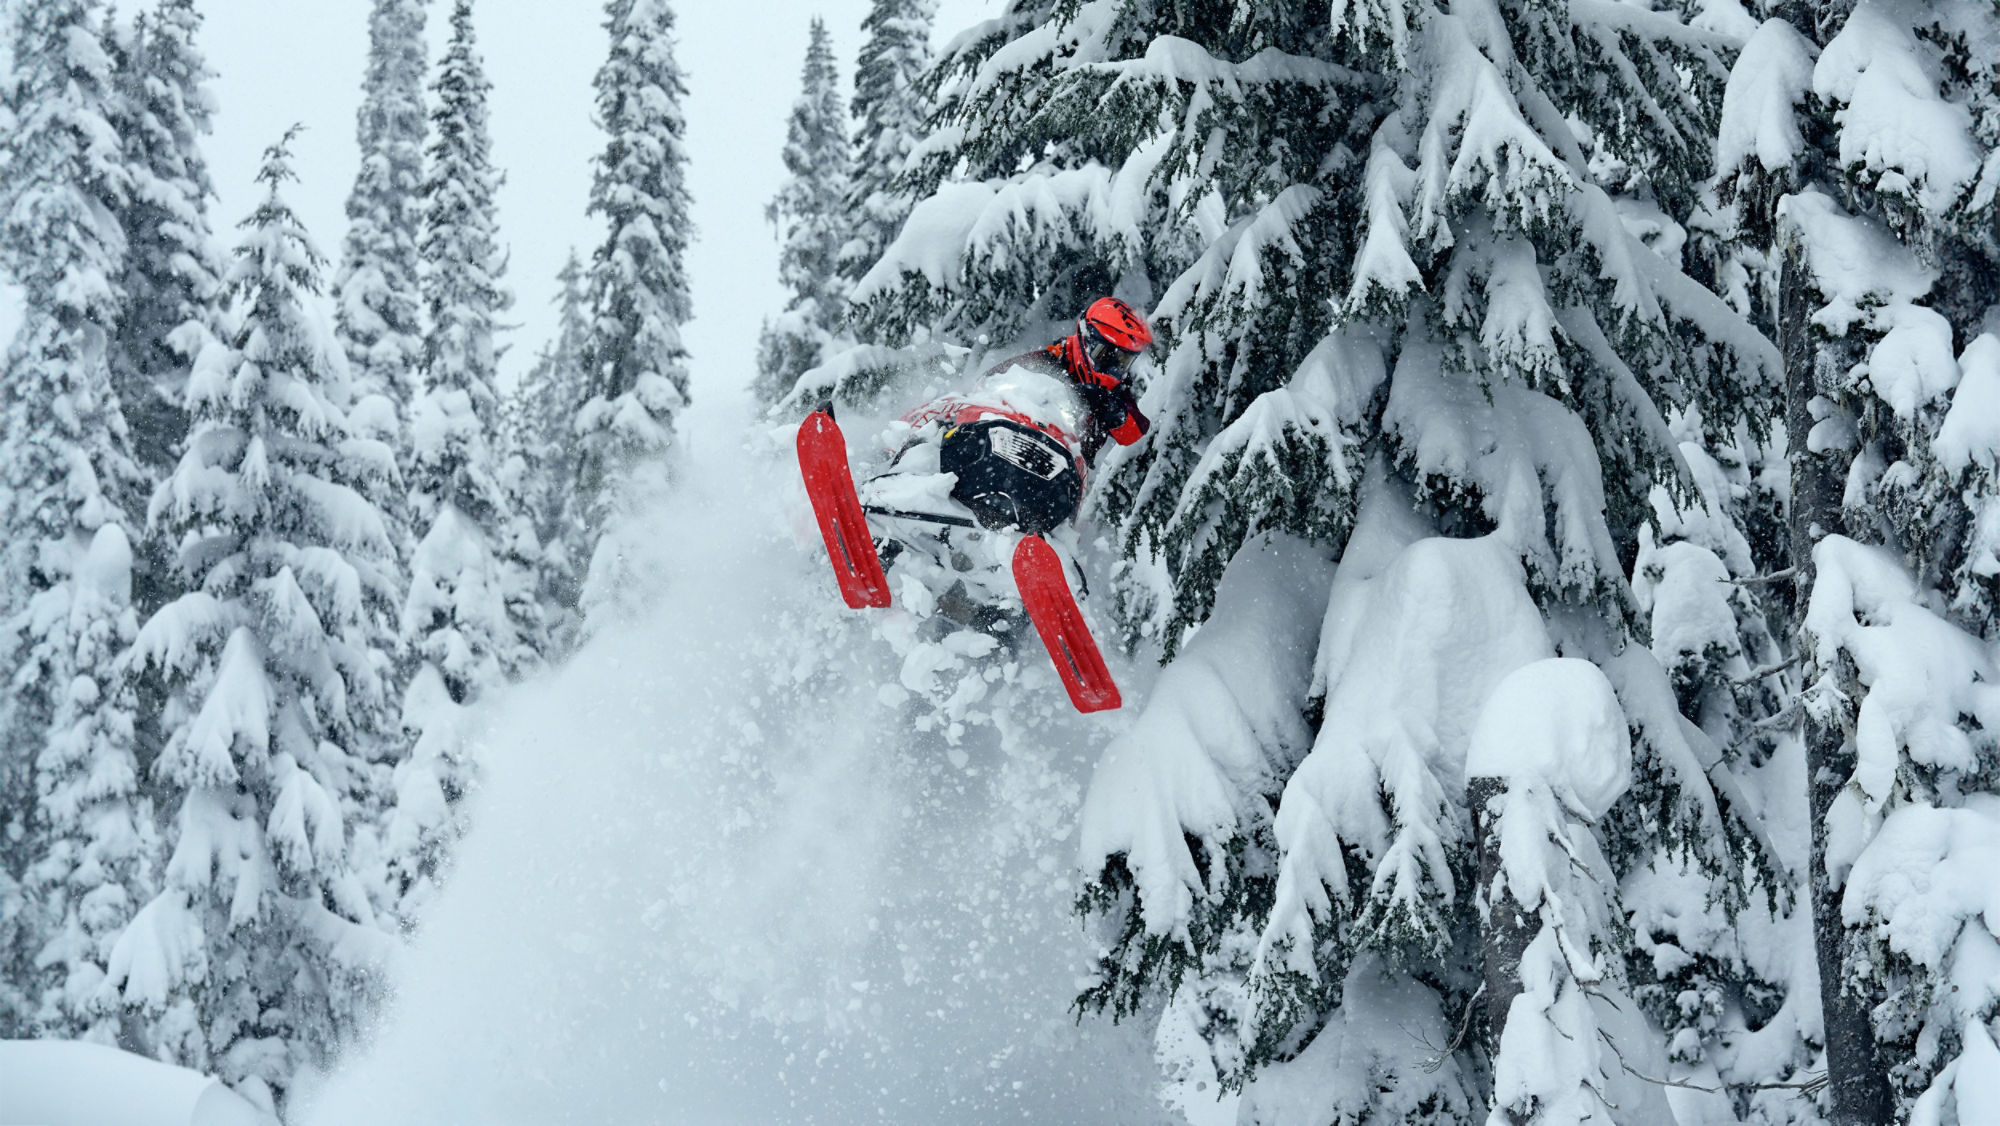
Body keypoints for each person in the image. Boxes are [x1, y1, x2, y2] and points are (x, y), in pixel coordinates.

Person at [983, 297, 1153, 462]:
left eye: (1123, 360)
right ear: (1087, 340)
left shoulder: (1115, 390)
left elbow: (1135, 433)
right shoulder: (1050, 361)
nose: (1112, 367)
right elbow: (993, 379)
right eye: (1104, 355)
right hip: (1016, 449)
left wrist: (1111, 408)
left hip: (1070, 471)